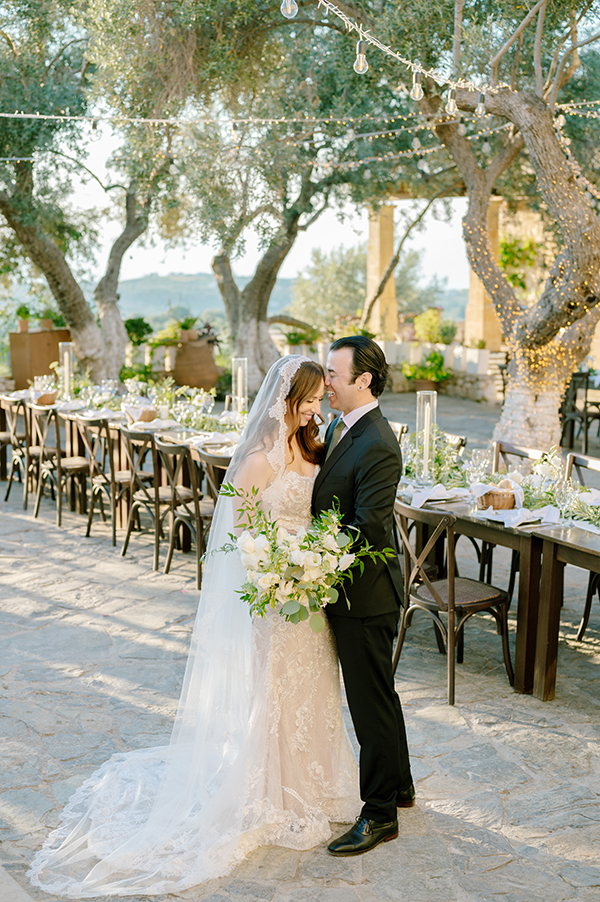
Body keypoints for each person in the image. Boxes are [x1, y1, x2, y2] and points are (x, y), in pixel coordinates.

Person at [29, 356, 358, 897]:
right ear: (289, 399)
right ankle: (273, 791)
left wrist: (316, 562)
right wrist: (277, 575)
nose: (319, 406)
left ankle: (318, 782)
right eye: (312, 399)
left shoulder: (313, 446)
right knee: (274, 693)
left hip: (311, 595)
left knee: (315, 686)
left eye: (322, 398)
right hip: (275, 597)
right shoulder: (255, 461)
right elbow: (236, 539)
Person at [312, 335, 414, 857]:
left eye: (333, 373)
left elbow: (369, 528)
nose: (325, 381)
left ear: (363, 381)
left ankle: (380, 816)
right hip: (349, 589)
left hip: (364, 595)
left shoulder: (377, 442)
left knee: (368, 704)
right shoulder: (340, 426)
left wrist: (309, 561)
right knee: (381, 694)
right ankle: (400, 786)